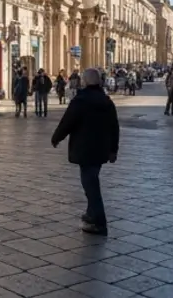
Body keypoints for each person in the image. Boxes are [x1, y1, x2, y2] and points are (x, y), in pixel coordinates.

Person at [51, 69, 120, 237]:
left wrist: (56, 138)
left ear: (85, 81)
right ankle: (90, 215)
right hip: (101, 150)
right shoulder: (107, 101)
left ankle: (100, 222)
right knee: (91, 181)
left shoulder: (80, 101)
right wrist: (113, 150)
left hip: (84, 149)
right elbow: (115, 127)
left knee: (90, 185)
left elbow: (67, 122)